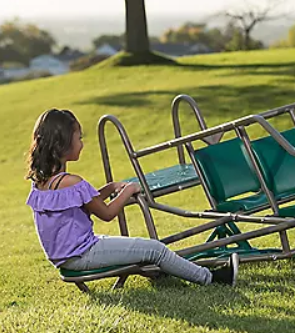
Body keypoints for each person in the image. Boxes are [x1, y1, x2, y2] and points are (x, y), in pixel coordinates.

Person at [26, 109, 239, 285]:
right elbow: (107, 213)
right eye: (79, 138)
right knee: (155, 249)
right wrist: (130, 189)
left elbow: (83, 203)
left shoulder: (42, 184)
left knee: (138, 247)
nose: (82, 143)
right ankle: (212, 279)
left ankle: (163, 273)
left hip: (69, 256)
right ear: (63, 143)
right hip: (83, 254)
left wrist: (109, 188)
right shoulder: (72, 182)